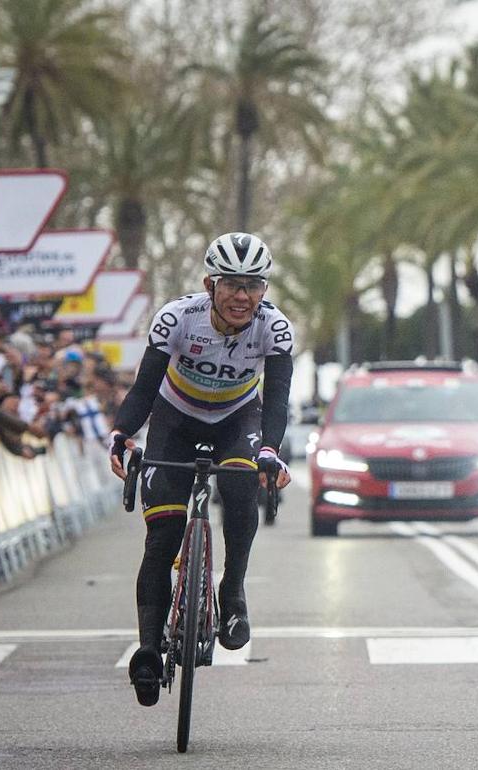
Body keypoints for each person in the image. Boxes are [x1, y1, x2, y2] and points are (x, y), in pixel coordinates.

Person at [108, 233, 295, 707]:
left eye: (253, 285)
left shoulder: (274, 329)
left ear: (264, 290)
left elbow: (275, 401)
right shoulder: (176, 318)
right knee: (162, 538)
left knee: (238, 484)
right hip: (175, 420)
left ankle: (232, 591)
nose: (242, 296)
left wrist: (271, 452)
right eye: (231, 284)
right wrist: (122, 433)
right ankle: (149, 648)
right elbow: (145, 388)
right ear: (210, 284)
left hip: (238, 420)